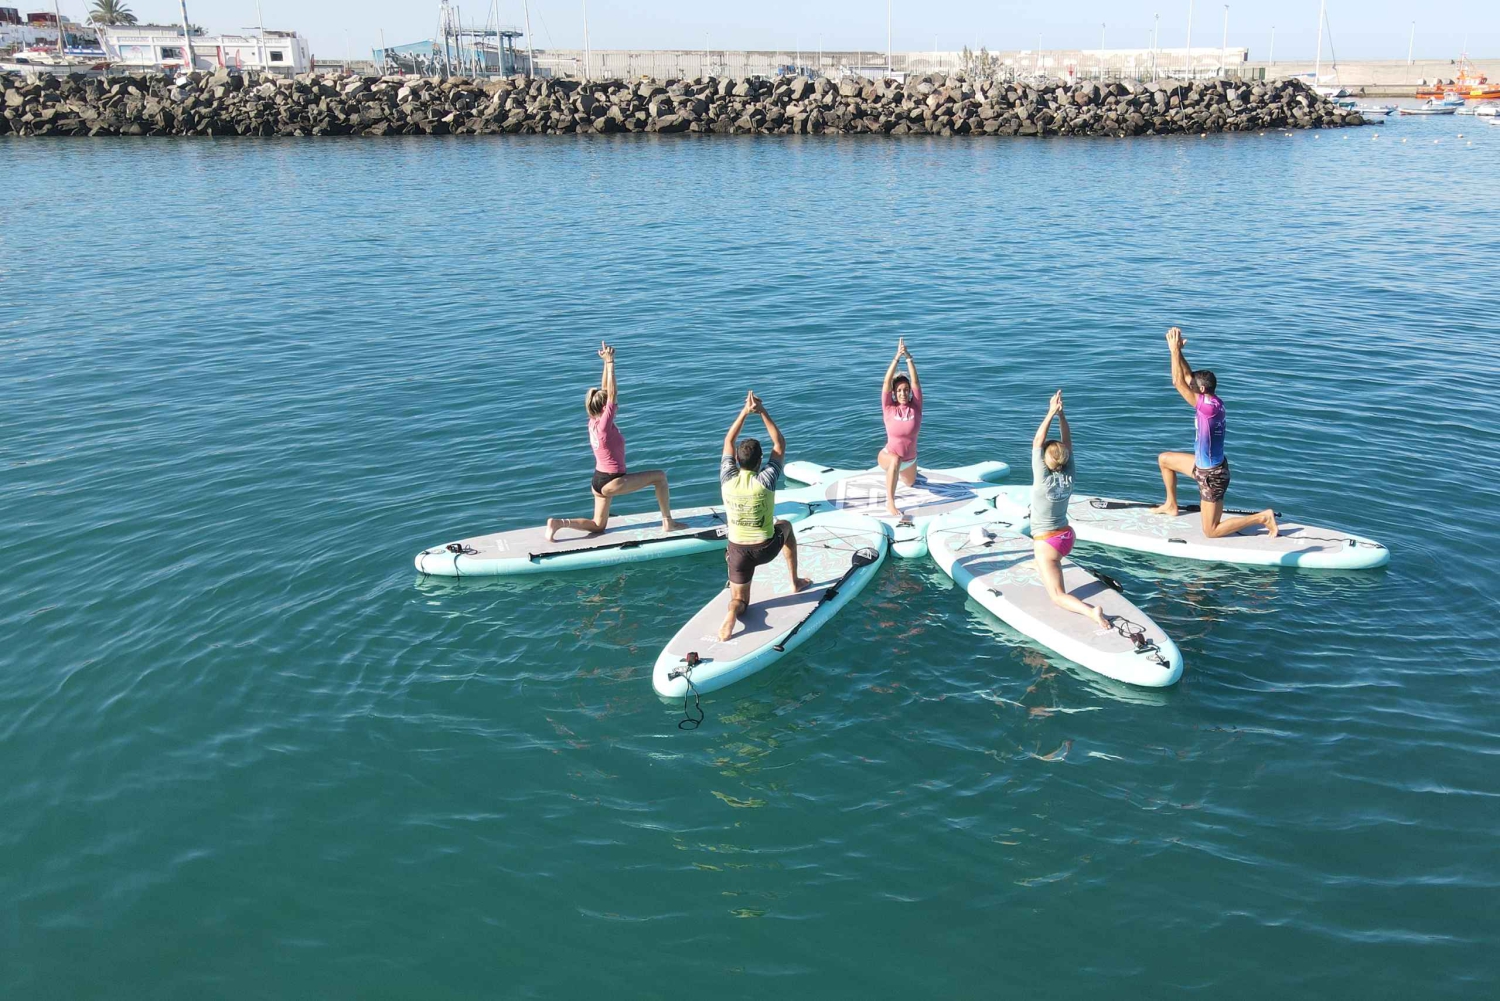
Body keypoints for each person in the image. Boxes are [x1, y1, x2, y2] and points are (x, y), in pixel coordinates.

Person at [545, 342, 686, 542]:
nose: (615, 405)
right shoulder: (603, 425)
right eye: (610, 406)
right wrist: (611, 362)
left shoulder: (593, 422)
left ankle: (558, 523)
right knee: (660, 477)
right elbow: (611, 394)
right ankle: (668, 522)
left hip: (598, 481)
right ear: (604, 409)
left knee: (598, 526)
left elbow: (606, 392)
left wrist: (604, 364)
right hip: (612, 480)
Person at [1151, 327, 1278, 538]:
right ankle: (1171, 505)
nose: (1189, 384)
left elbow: (1178, 382)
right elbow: (1187, 376)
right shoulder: (1211, 400)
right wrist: (1180, 353)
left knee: (1211, 531)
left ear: (1201, 390)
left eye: (1193, 385)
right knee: (1165, 460)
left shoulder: (1207, 409)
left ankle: (1263, 517)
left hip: (1213, 476)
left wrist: (1173, 351)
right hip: (1202, 467)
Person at [719, 390, 811, 641]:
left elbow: (728, 441)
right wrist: (762, 411)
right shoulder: (766, 480)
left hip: (737, 551)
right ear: (760, 461)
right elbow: (779, 444)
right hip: (765, 548)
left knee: (739, 600)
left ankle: (731, 616)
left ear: (737, 460)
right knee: (787, 525)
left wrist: (743, 413)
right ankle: (795, 581)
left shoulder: (727, 479)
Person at [1030, 390, 1109, 629]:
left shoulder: (1042, 479)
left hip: (1048, 542)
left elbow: (1036, 442)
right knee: (1047, 560)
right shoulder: (1069, 474)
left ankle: (1091, 612)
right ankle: (1044, 563)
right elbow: (1068, 442)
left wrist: (1050, 413)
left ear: (1045, 462)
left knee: (1056, 595)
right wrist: (1062, 416)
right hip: (1066, 536)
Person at [877, 337, 923, 519]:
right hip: (889, 456)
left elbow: (916, 382)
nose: (903, 393)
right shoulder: (889, 408)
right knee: (895, 460)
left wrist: (909, 358)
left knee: (910, 483)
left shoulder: (916, 407)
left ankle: (897, 474)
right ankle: (890, 502)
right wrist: (897, 358)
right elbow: (886, 383)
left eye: (906, 390)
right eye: (899, 391)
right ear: (894, 394)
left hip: (910, 460)